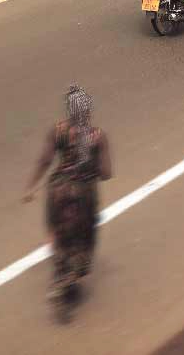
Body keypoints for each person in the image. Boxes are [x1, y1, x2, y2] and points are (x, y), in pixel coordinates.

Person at [22, 85, 113, 322]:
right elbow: (106, 173)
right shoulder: (97, 136)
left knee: (59, 234)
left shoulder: (58, 131)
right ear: (88, 110)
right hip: (83, 194)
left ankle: (61, 276)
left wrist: (31, 187)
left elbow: (45, 160)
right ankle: (66, 282)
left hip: (58, 191)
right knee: (83, 238)